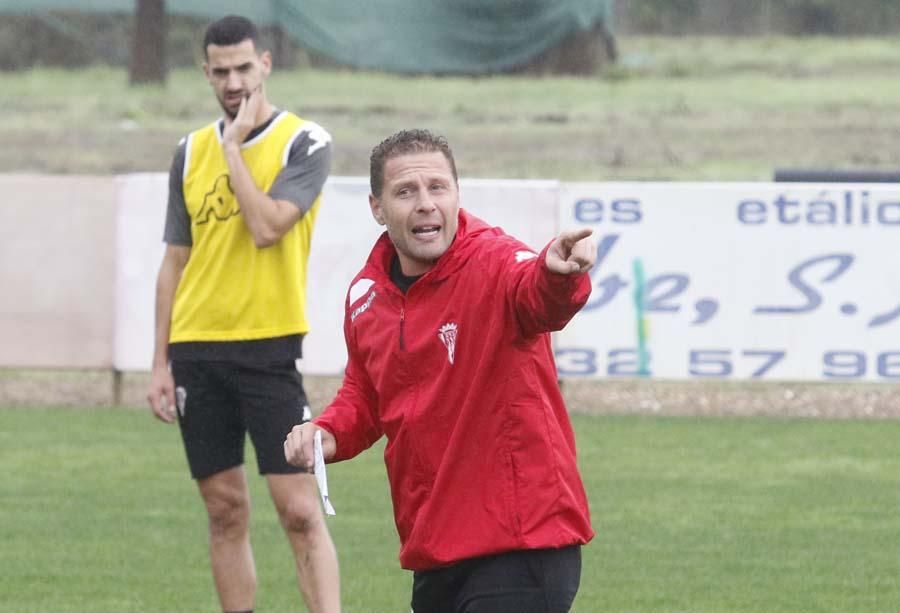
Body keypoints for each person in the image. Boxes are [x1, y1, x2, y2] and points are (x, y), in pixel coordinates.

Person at [284, 129, 595, 612]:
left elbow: (537, 297)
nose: (425, 204)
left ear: (456, 194)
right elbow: (366, 395)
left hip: (522, 541)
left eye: (437, 187)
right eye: (406, 192)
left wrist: (557, 276)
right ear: (377, 208)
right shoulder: (367, 296)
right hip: (436, 547)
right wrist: (326, 433)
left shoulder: (496, 262)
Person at [146, 15, 340, 613]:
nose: (233, 81)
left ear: (265, 64)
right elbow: (176, 262)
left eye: (243, 68)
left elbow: (266, 227)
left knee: (300, 512)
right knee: (224, 510)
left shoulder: (304, 142)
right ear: (206, 73)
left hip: (267, 349)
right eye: (220, 71)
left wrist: (235, 147)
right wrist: (160, 361)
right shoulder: (188, 151)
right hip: (196, 350)